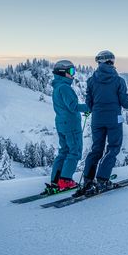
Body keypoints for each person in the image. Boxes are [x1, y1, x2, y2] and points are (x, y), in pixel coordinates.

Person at [73, 50, 128, 197]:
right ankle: (102, 180)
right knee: (113, 148)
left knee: (96, 149)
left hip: (97, 119)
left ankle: (88, 181)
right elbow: (124, 102)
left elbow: (89, 104)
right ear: (111, 62)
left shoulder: (91, 81)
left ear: (99, 62)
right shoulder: (119, 81)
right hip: (114, 119)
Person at [47, 60, 89, 193]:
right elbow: (73, 107)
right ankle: (65, 180)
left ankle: (56, 180)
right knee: (74, 152)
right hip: (71, 124)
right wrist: (89, 107)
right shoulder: (65, 88)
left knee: (64, 151)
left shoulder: (57, 87)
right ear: (62, 72)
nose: (73, 74)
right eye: (71, 71)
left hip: (61, 123)